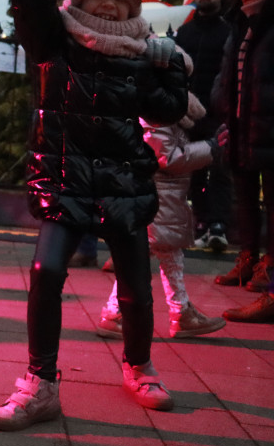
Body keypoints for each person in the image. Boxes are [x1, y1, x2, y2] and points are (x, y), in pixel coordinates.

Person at [0, 0, 188, 432]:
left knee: (134, 282)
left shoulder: (143, 52)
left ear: (133, 7)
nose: (106, 5)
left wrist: (168, 64)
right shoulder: (54, 41)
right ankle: (40, 381)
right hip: (64, 177)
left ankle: (140, 365)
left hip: (124, 181)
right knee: (46, 270)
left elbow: (168, 110)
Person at [96, 68, 228, 339]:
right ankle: (121, 312)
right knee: (150, 257)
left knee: (165, 257)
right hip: (159, 197)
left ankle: (178, 312)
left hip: (164, 197)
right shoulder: (159, 114)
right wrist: (210, 149)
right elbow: (167, 158)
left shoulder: (165, 110)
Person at [212, 0, 274, 322]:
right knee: (245, 196)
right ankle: (248, 259)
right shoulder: (238, 27)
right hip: (240, 125)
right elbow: (226, 73)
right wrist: (222, 106)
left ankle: (269, 267)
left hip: (267, 126)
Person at [176, 0, 233, 252]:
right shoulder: (185, 33)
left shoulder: (230, 33)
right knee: (192, 171)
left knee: (221, 170)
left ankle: (219, 224)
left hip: (220, 113)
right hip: (189, 113)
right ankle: (201, 223)